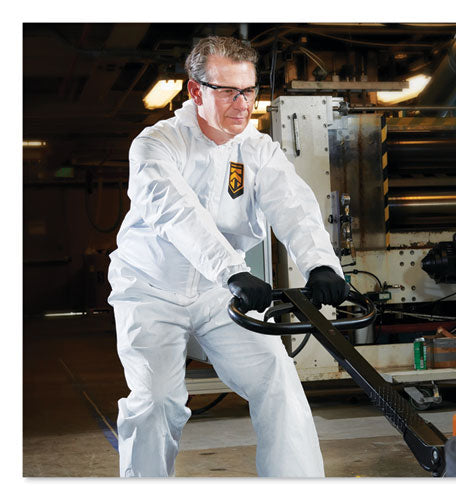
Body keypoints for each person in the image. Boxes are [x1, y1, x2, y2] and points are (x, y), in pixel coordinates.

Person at [107, 35, 349, 478]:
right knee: (156, 402)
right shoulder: (157, 145)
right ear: (196, 90)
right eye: (227, 91)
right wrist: (234, 271)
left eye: (249, 91)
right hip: (151, 291)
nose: (242, 104)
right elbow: (178, 214)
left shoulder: (257, 150)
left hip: (217, 295)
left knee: (277, 377)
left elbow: (293, 205)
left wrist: (320, 263)